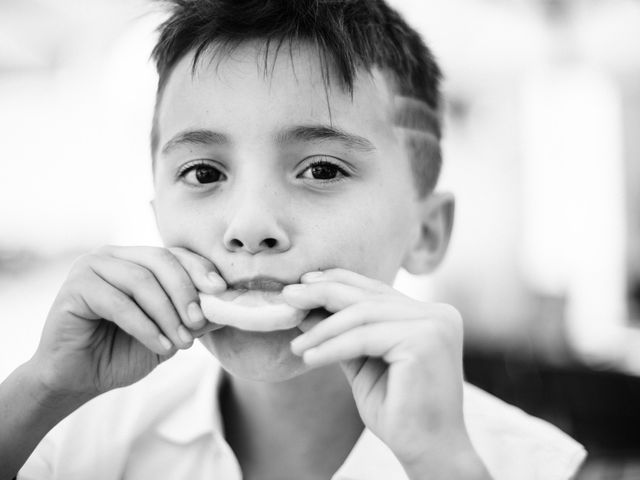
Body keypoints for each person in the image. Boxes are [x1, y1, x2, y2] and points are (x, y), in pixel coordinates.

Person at [0, 1, 586, 479]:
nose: (249, 225)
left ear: (426, 232)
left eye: (323, 170)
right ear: (158, 219)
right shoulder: (66, 442)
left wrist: (442, 465)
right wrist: (39, 388)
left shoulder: (531, 465)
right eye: (204, 173)